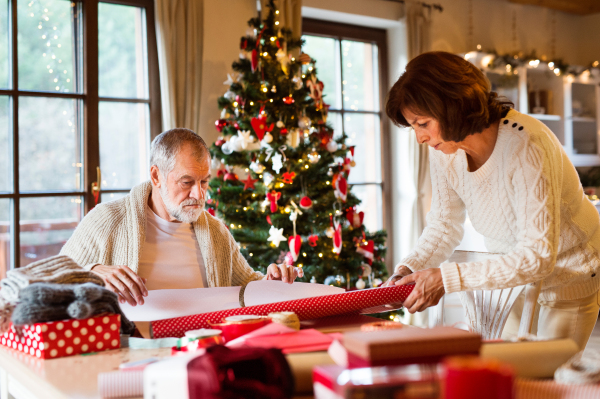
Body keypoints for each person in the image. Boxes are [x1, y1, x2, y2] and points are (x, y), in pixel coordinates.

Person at [382, 51, 600, 349]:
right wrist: (408, 269)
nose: (420, 138)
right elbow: (444, 225)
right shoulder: (444, 151)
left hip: (568, 274)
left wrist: (446, 278)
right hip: (510, 275)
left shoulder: (526, 144)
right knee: (505, 369)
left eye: (423, 123)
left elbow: (537, 257)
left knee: (548, 380)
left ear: (452, 107)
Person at [61, 128, 302, 307]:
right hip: (131, 354)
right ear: (156, 176)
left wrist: (272, 280)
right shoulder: (108, 220)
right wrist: (93, 271)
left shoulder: (216, 232)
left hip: (203, 353)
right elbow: (46, 280)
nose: (199, 194)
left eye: (204, 181)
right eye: (187, 182)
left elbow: (247, 287)